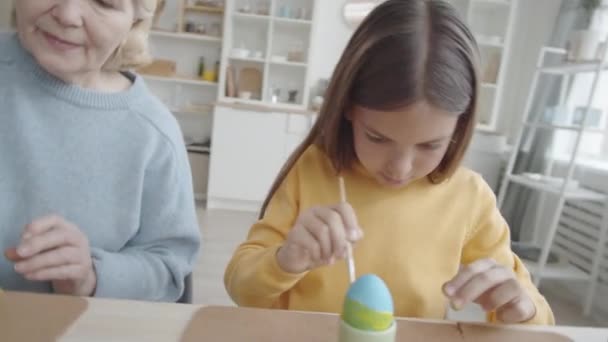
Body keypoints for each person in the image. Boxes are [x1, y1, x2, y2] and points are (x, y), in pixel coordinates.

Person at [224, 0, 554, 324]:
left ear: (460, 125)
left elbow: (540, 319)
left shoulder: (470, 198)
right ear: (348, 107)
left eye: (430, 145)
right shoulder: (313, 170)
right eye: (377, 138)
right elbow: (241, 287)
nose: (400, 168)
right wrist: (285, 261)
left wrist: (521, 309)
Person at [0, 0, 200, 301]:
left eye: (104, 2)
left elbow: (168, 266)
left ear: (135, 21)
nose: (67, 15)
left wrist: (90, 276)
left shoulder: (154, 136)